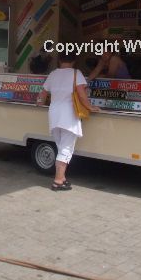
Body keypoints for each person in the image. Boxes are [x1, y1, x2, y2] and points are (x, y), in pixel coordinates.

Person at [36, 51, 99, 191]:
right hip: (68, 116)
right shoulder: (76, 73)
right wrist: (90, 107)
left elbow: (43, 93)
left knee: (61, 147)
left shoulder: (53, 74)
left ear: (59, 60)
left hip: (54, 114)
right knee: (65, 149)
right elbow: (81, 94)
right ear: (74, 61)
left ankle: (62, 178)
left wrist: (39, 102)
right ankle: (58, 181)